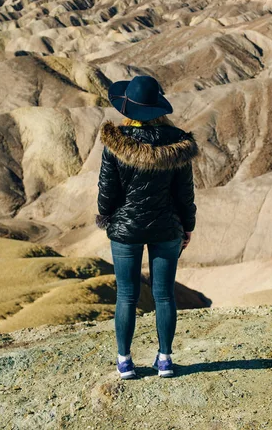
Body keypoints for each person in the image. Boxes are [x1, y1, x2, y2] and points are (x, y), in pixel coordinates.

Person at [96, 75, 199, 379]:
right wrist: (188, 226)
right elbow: (185, 194)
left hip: (125, 231)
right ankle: (165, 360)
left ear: (128, 108)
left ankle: (125, 362)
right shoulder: (177, 143)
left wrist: (106, 216)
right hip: (167, 228)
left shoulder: (116, 143)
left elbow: (106, 191)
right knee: (164, 295)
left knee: (126, 296)